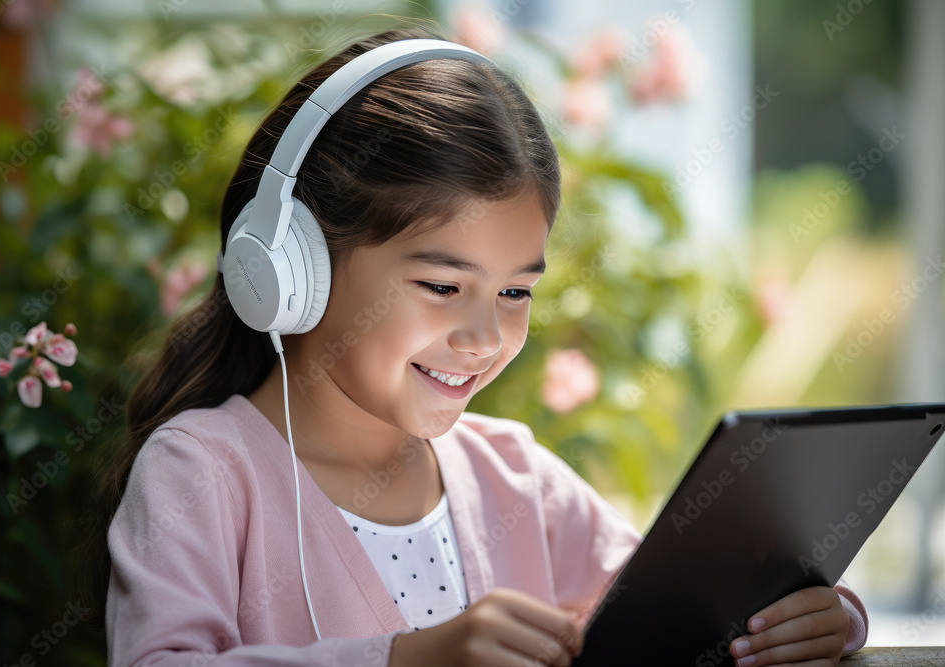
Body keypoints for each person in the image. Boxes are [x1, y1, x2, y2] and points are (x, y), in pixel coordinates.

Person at [75, 24, 869, 667]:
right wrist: (406, 659)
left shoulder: (516, 479)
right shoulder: (204, 471)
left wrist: (817, 618)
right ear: (294, 268)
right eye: (442, 286)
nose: (486, 335)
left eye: (516, 292)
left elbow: (684, 606)